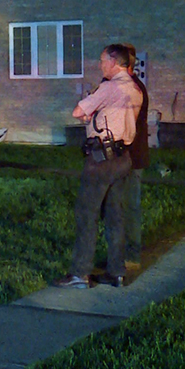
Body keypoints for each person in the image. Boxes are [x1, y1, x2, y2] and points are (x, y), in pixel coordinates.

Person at [54, 44, 143, 288]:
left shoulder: (109, 87)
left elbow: (77, 111)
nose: (101, 65)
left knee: (87, 214)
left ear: (114, 62)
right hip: (122, 158)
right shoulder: (135, 89)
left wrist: (88, 110)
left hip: (101, 160)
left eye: (103, 61)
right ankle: (117, 272)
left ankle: (80, 273)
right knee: (115, 216)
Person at [122, 44, 149, 270]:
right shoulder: (127, 86)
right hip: (125, 157)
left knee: (130, 206)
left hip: (131, 157)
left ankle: (131, 255)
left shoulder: (133, 89)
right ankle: (121, 253)